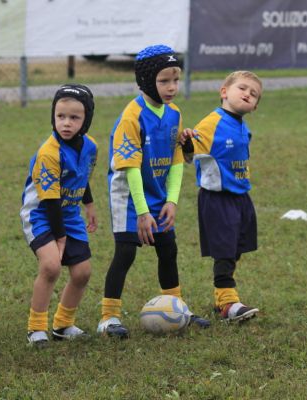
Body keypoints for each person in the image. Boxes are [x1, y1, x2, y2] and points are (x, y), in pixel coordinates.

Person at [98, 44, 210, 338]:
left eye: (176, 79)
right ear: (147, 81)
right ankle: (108, 317)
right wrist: (143, 211)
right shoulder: (131, 117)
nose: (172, 87)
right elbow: (131, 169)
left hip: (159, 195)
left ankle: (178, 308)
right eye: (164, 81)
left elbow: (176, 161)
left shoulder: (174, 114)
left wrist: (171, 201)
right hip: (129, 197)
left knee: (168, 249)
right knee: (125, 252)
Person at [182, 71, 262, 322]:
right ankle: (228, 303)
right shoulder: (212, 123)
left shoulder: (241, 125)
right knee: (225, 251)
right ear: (224, 92)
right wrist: (186, 141)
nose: (248, 94)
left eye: (254, 94)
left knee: (236, 248)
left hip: (240, 197)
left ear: (256, 106)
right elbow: (189, 153)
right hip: (217, 199)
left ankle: (222, 298)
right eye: (243, 88)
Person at [20, 84, 97, 346]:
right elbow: (50, 200)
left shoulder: (90, 147)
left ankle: (63, 324)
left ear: (86, 120)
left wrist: (89, 204)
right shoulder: (49, 153)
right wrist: (60, 238)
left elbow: (81, 175)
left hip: (69, 214)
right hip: (41, 214)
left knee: (82, 272)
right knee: (51, 266)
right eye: (60, 116)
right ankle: (36, 328)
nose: (66, 123)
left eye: (74, 118)